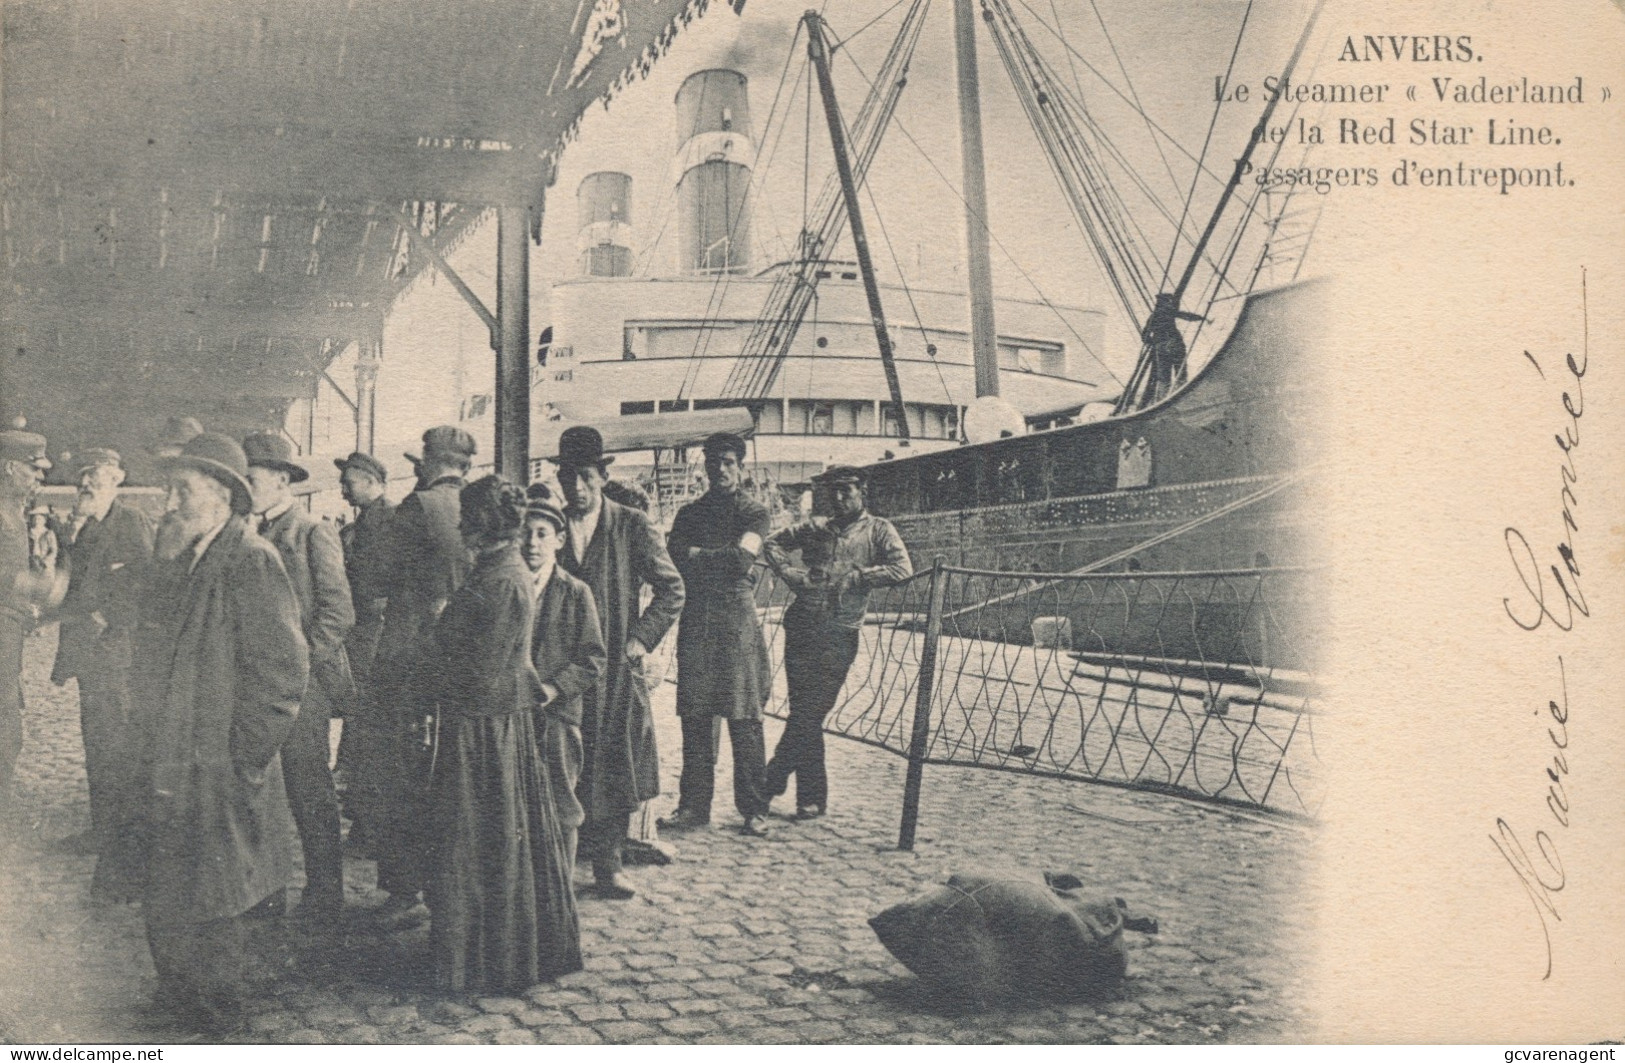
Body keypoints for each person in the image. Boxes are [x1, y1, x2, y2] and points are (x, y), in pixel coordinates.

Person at [138, 432, 308, 1035]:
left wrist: (246, 760)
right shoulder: (188, 554)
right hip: (178, 753)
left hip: (219, 761)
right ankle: (178, 989)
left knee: (218, 885)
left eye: (181, 490)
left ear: (220, 496)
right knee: (175, 874)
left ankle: (214, 1004)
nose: (170, 502)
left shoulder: (250, 557)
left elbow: (284, 673)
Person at [423, 475, 581, 993]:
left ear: (486, 523)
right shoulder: (494, 569)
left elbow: (482, 668)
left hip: (484, 730)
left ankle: (491, 960)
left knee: (479, 841)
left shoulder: (503, 579)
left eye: (470, 517)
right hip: (481, 723)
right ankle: (482, 954)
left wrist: (433, 657)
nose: (462, 525)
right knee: (485, 842)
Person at [551, 426, 684, 900]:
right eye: (569, 479)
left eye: (586, 478)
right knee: (563, 761)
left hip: (611, 672)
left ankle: (608, 866)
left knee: (612, 761)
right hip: (562, 668)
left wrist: (639, 641)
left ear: (603, 476)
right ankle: (559, 864)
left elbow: (672, 590)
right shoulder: (552, 526)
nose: (577, 489)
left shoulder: (630, 525)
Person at [243, 432, 355, 923]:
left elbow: (338, 611)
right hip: (254, 686)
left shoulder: (311, 531)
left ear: (282, 479)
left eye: (252, 479)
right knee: (260, 791)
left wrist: (298, 664)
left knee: (309, 788)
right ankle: (266, 891)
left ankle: (326, 892)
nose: (245, 488)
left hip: (303, 686)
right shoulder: (246, 534)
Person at [762, 465, 912, 819]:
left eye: (847, 490)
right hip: (802, 627)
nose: (839, 498)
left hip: (840, 632)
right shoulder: (816, 528)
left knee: (810, 712)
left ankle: (772, 778)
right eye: (834, 492)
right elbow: (772, 543)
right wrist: (789, 573)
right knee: (805, 715)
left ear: (862, 492)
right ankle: (811, 800)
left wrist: (860, 577)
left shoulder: (878, 530)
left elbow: (902, 568)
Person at [371, 425, 475, 920]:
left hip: (408, 655)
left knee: (399, 770)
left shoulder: (417, 507)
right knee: (449, 771)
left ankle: (403, 888)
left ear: (429, 464)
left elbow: (377, 572)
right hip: (459, 659)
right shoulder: (477, 508)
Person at [46, 449, 154, 896]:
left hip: (118, 654)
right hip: (91, 657)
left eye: (96, 478)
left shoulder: (131, 523)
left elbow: (146, 582)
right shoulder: (86, 527)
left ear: (117, 479)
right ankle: (101, 828)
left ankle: (121, 844)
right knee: (97, 742)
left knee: (118, 748)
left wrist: (109, 618)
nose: (87, 485)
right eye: (84, 478)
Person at [662, 432, 773, 837]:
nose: (720, 470)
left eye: (728, 462)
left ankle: (754, 810)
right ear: (705, 467)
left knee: (744, 716)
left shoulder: (754, 513)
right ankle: (693, 807)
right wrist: (711, 559)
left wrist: (697, 557)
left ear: (740, 466)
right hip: (696, 620)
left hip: (736, 623)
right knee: (695, 716)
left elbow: (742, 560)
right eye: (714, 462)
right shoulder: (689, 514)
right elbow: (674, 558)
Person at [521, 485, 605, 874]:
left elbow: (592, 659)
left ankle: (559, 889)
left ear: (558, 539)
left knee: (561, 805)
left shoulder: (575, 593)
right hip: (514, 716)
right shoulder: (510, 588)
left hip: (557, 718)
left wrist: (554, 689)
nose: (532, 543)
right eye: (526, 533)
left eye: (542, 534)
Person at [332, 451, 395, 844]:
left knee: (370, 724)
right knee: (361, 722)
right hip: (362, 633)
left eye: (349, 483)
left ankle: (370, 824)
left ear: (371, 481)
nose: (342, 490)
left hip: (375, 635)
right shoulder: (364, 522)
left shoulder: (388, 520)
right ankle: (362, 818)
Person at [0, 429, 59, 834]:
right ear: (9, 467)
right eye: (32, 470)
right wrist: (48, 584)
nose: (38, 478)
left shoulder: (13, 512)